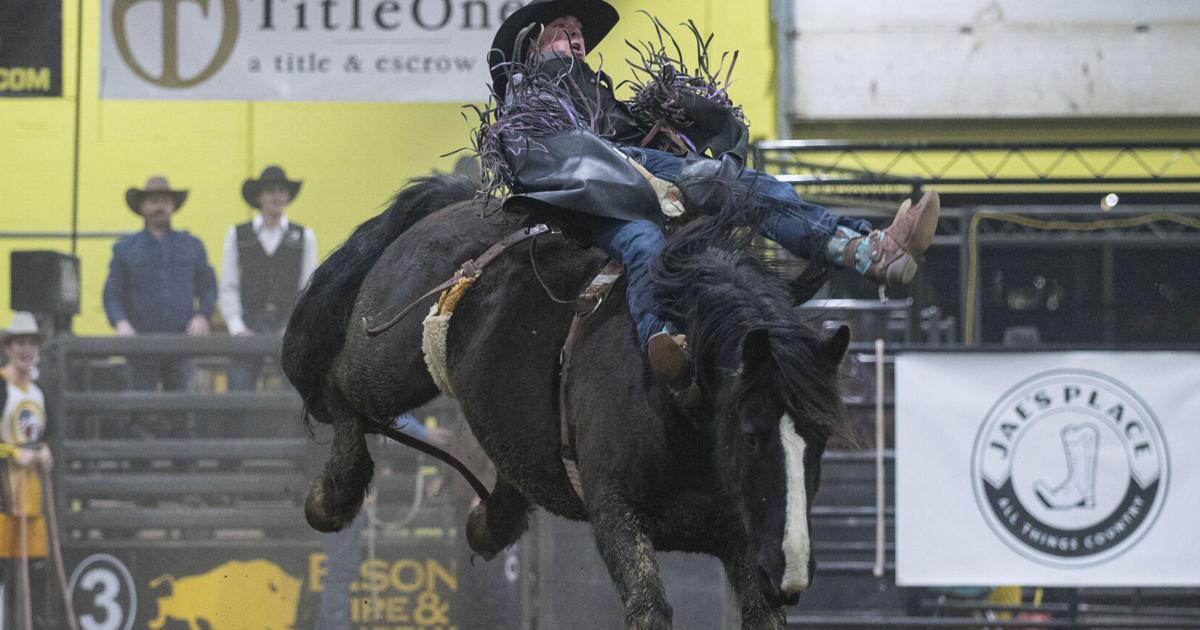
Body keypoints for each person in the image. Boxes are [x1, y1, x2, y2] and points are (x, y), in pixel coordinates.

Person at [485, 0, 939, 391]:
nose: (577, 39)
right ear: (532, 45)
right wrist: (646, 174)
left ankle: (666, 343)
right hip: (590, 194)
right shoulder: (534, 94)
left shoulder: (591, 89)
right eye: (563, 32)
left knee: (647, 241)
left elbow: (621, 137)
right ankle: (862, 250)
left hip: (624, 189)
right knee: (729, 187)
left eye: (579, 32)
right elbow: (565, 157)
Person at [103, 175, 217, 434]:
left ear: (173, 206)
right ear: (143, 207)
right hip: (141, 346)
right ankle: (139, 469)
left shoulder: (192, 246)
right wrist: (121, 324)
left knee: (183, 412)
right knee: (140, 412)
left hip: (181, 344)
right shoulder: (125, 249)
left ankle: (183, 468)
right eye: (153, 201)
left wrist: (202, 316)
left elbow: (209, 287)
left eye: (164, 201)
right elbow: (111, 294)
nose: (159, 207)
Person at [218, 165, 317, 392]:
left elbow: (308, 289)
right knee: (238, 393)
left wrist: (292, 327)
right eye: (270, 191)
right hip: (248, 327)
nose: (277, 197)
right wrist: (237, 326)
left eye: (281, 191)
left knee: (296, 396)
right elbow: (229, 285)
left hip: (287, 330)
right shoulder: (237, 235)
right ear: (259, 196)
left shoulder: (304, 237)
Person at [0, 312, 54, 627]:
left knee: (34, 571)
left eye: (31, 343)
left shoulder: (39, 391)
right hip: (3, 499)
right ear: (9, 347)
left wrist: (45, 452)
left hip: (32, 500)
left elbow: (43, 436)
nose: (26, 349)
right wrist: (10, 453)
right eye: (20, 342)